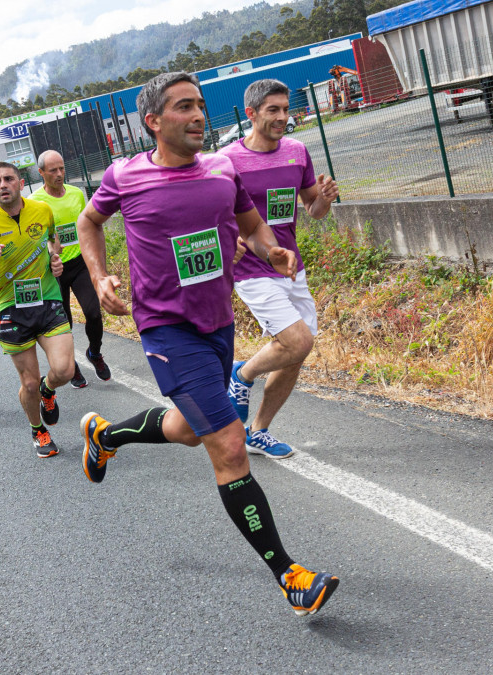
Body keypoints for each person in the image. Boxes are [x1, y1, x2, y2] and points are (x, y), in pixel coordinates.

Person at [75, 71, 339, 615]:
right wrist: (100, 277)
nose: (198, 115)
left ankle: (105, 435)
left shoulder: (222, 167)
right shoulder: (124, 176)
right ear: (153, 121)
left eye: (200, 106)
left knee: (190, 430)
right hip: (167, 329)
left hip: (218, 321)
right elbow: (88, 222)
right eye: (183, 107)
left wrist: (272, 252)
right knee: (228, 443)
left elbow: (250, 220)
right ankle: (290, 576)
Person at [218, 79, 338, 459]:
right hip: (251, 270)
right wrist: (229, 240)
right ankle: (242, 376)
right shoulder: (225, 161)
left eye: (286, 109)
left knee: (295, 352)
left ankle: (259, 431)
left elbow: (313, 211)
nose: (283, 117)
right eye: (273, 110)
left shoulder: (297, 152)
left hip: (290, 266)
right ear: (251, 114)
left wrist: (325, 200)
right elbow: (210, 214)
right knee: (298, 340)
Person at [0, 162, 72, 458]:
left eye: (8, 179)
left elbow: (52, 243)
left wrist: (55, 260)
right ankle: (38, 430)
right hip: (12, 307)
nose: (3, 184)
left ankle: (49, 390)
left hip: (47, 298)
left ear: (21, 183)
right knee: (29, 382)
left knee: (64, 370)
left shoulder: (41, 211)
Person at [31, 151, 111, 389]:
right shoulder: (35, 201)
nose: (59, 174)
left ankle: (94, 353)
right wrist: (49, 248)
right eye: (53, 170)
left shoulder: (76, 193)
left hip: (79, 262)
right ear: (41, 173)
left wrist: (100, 266)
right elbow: (35, 236)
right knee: (64, 322)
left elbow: (89, 226)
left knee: (94, 313)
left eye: (62, 169)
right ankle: (71, 365)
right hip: (53, 269)